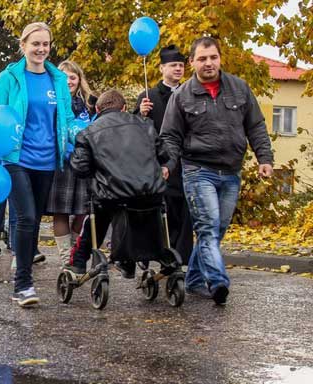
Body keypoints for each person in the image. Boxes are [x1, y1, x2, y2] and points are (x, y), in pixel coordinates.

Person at [161, 36, 273, 305]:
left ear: (220, 58)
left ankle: (195, 280)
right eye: (202, 58)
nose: (208, 63)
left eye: (212, 57)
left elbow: (255, 126)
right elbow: (170, 137)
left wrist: (264, 158)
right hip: (198, 170)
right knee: (208, 228)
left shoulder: (239, 88)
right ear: (192, 63)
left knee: (218, 229)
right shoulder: (182, 95)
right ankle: (218, 280)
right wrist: (166, 165)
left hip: (231, 171)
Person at [0, 22, 73, 306]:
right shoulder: (9, 77)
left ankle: (23, 273)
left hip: (47, 160)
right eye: (35, 44)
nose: (41, 49)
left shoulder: (58, 79)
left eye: (45, 44)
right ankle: (23, 285)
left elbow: (67, 119)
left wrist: (79, 137)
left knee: (34, 220)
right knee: (24, 216)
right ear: (23, 45)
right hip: (16, 158)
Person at [64, 90, 168, 275]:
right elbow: (163, 155)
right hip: (149, 191)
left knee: (97, 218)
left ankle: (79, 261)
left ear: (97, 108)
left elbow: (80, 168)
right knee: (144, 211)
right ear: (124, 108)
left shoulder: (88, 132)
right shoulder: (146, 125)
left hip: (111, 194)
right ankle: (136, 259)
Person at [134, 45, 194, 265]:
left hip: (187, 162)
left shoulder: (191, 93)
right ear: (161, 68)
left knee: (185, 212)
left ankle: (181, 260)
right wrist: (141, 114)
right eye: (173, 65)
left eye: (181, 65)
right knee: (163, 211)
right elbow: (135, 131)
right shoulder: (147, 97)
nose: (178, 69)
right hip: (159, 165)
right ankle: (159, 253)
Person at [42, 60, 95, 266]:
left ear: (79, 80)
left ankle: (75, 249)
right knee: (61, 211)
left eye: (73, 76)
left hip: (84, 163)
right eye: (64, 77)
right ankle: (66, 257)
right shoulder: (51, 102)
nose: (69, 81)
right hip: (60, 163)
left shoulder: (90, 103)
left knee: (83, 211)